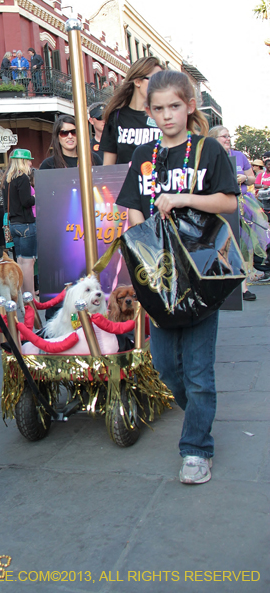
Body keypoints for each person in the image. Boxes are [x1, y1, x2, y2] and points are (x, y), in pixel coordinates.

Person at [117, 70, 239, 485]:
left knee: (199, 371)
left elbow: (228, 201)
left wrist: (181, 198)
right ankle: (200, 416)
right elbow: (133, 207)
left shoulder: (207, 150)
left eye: (175, 106)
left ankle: (196, 447)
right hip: (160, 274)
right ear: (149, 111)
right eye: (159, 108)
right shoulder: (144, 156)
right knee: (167, 368)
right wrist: (141, 252)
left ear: (189, 106)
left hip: (201, 269)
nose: (167, 116)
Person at [208, 125, 269, 299]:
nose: (228, 139)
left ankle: (244, 288)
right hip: (219, 205)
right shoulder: (209, 157)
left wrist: (244, 178)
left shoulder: (239, 156)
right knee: (222, 246)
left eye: (229, 136)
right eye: (224, 136)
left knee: (242, 247)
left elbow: (253, 178)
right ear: (214, 139)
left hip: (242, 203)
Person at [100, 56, 164, 165]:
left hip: (157, 180)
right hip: (127, 180)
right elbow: (108, 168)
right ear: (137, 81)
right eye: (156, 79)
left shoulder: (164, 116)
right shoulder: (116, 117)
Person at [2, 149, 36, 296]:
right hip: (26, 223)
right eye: (28, 160)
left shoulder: (7, 179)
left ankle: (23, 294)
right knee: (29, 262)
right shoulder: (22, 178)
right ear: (22, 161)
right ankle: (30, 295)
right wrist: (38, 197)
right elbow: (26, 201)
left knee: (20, 261)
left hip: (13, 224)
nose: (30, 163)